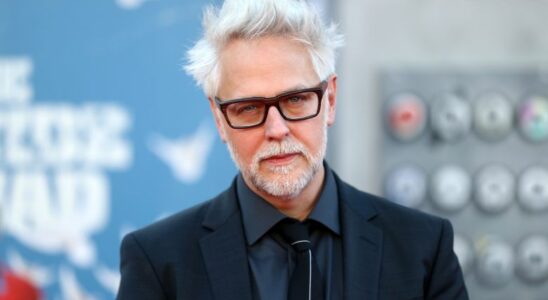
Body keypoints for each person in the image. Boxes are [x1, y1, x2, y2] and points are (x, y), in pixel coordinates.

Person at [117, 0, 469, 299]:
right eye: (248, 108)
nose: (276, 129)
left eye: (297, 99)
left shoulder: (423, 247)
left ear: (329, 100)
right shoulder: (159, 261)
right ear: (219, 118)